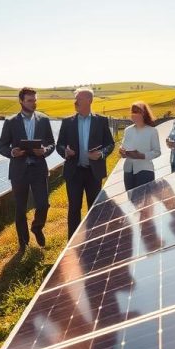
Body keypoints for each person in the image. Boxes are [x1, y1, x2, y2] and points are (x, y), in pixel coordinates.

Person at [0, 87, 55, 255]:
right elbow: (2, 146)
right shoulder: (10, 122)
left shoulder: (44, 120)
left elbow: (51, 142)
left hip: (38, 169)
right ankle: (23, 243)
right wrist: (12, 152)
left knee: (43, 204)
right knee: (20, 209)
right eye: (30, 100)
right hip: (19, 170)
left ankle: (37, 228)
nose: (34, 103)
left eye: (35, 100)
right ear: (21, 101)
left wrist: (45, 150)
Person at [56, 87, 115, 237]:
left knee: (94, 208)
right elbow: (59, 144)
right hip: (74, 172)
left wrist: (101, 154)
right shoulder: (68, 122)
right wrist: (65, 151)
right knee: (74, 208)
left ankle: (93, 240)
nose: (76, 101)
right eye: (76, 99)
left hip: (93, 172)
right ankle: (72, 241)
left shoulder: (101, 121)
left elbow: (110, 143)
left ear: (89, 100)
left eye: (79, 99)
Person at [119, 101, 161, 191]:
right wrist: (122, 152)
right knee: (131, 201)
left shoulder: (152, 131)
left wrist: (142, 156)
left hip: (145, 170)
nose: (135, 114)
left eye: (138, 112)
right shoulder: (128, 130)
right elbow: (124, 148)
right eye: (133, 112)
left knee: (145, 201)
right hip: (128, 170)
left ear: (144, 114)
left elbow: (157, 152)